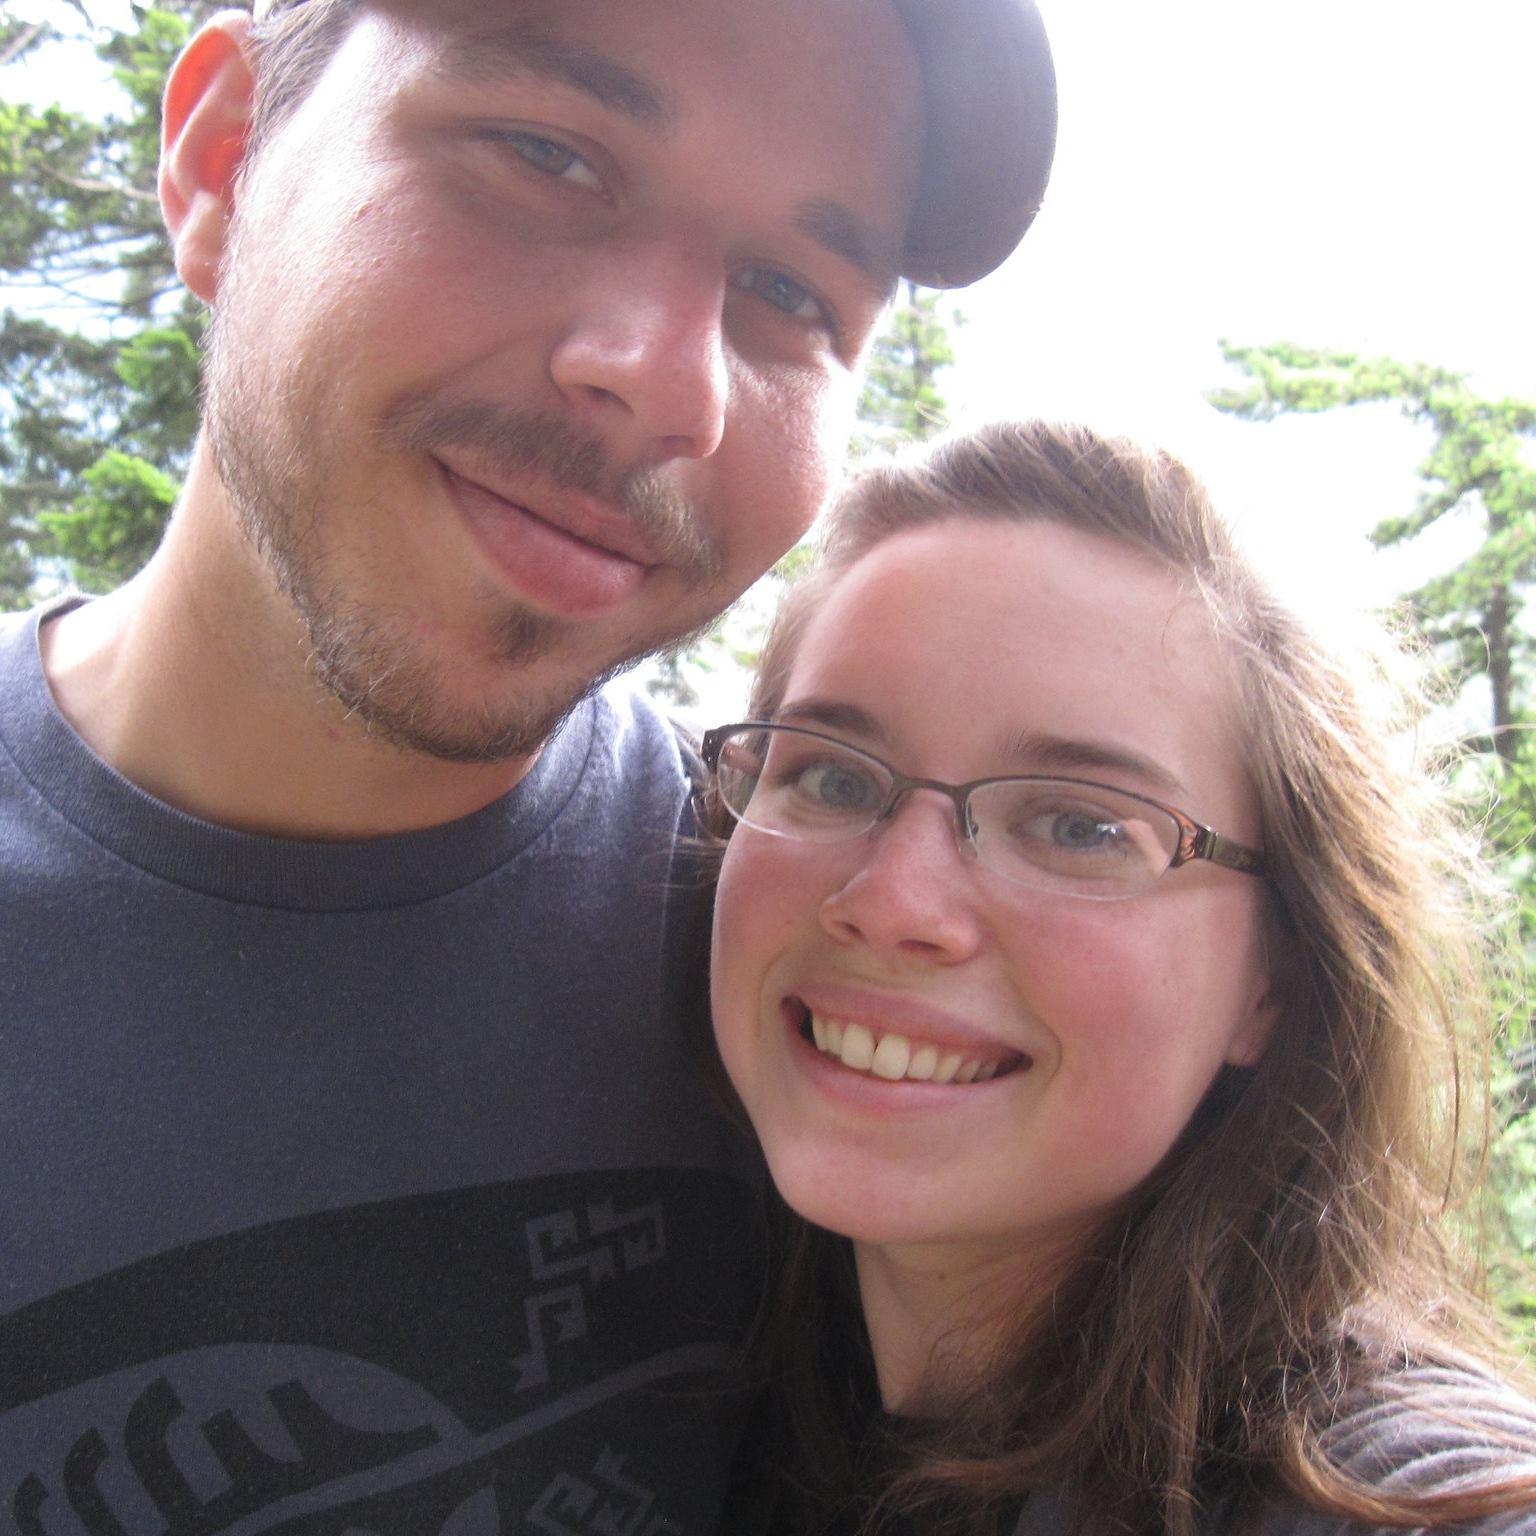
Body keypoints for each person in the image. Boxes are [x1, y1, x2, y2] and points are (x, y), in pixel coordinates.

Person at [0, 2, 1057, 1529]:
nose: (668, 383)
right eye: (548, 156)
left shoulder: (818, 977)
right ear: (224, 156)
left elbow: (1225, 1379)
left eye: (788, 291)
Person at [704, 421, 1536, 1535]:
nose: (895, 902)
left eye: (1080, 824)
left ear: (1272, 982)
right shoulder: (691, 1397)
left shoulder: (1389, 1495)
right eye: (834, 778)